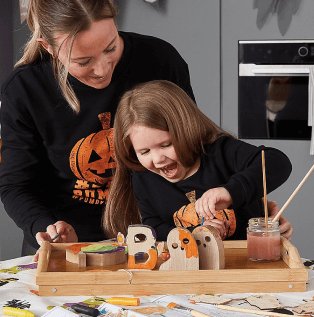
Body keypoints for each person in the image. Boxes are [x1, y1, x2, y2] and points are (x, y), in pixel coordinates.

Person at [0, 0, 195, 256]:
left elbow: (196, 149)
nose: (102, 70)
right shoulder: (25, 89)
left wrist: (241, 200)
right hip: (71, 247)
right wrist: (45, 228)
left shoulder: (159, 60)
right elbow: (15, 184)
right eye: (83, 61)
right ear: (48, 47)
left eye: (110, 48)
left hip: (160, 238)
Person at [104, 80, 293, 242]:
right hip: (189, 271)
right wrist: (194, 235)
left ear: (186, 130)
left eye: (166, 144)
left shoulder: (219, 151)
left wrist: (229, 192)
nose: (158, 159)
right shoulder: (143, 177)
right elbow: (153, 226)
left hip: (248, 263)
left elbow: (277, 162)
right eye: (144, 151)